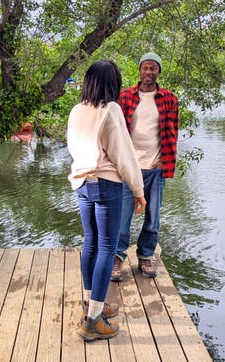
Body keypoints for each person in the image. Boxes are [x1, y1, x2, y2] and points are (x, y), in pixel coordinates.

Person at [67, 60, 146, 342]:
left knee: (91, 243)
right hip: (105, 184)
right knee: (107, 248)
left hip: (82, 183)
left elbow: (72, 147)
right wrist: (138, 190)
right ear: (112, 83)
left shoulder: (77, 110)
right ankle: (93, 321)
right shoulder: (110, 109)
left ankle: (92, 304)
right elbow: (123, 155)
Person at [112, 52, 178, 281]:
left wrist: (166, 159)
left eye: (153, 68)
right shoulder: (125, 97)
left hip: (155, 167)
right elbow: (116, 131)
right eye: (145, 68)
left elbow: (173, 131)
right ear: (139, 70)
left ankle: (146, 255)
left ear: (159, 71)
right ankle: (117, 257)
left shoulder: (169, 98)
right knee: (122, 215)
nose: (149, 72)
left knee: (153, 216)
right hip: (129, 168)